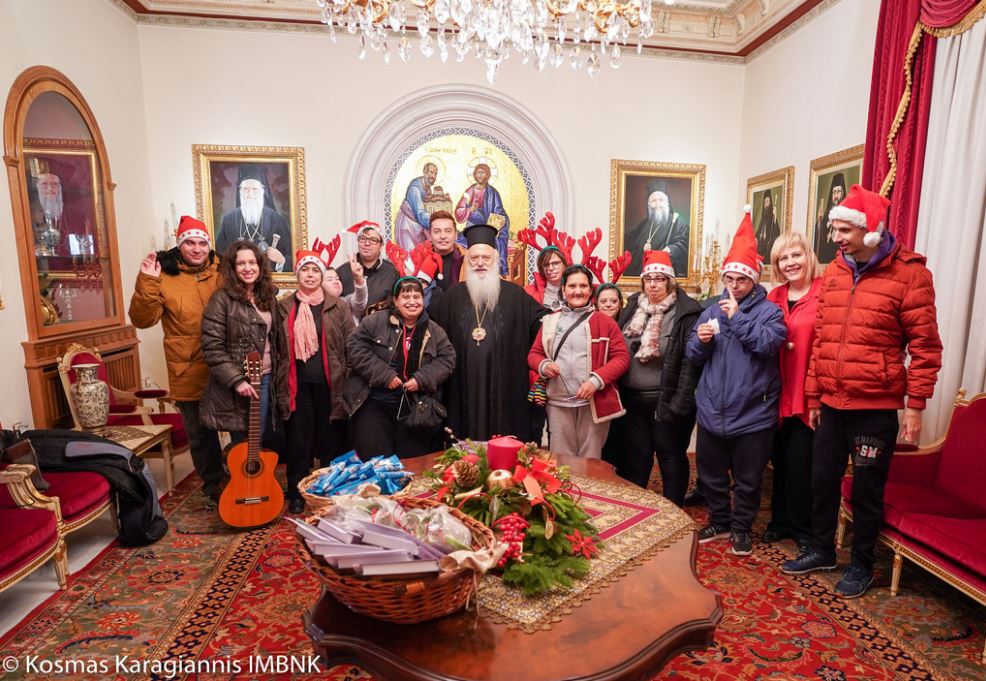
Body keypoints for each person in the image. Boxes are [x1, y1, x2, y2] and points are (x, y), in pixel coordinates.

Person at [782, 185, 942, 599]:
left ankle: (862, 565)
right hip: (831, 405)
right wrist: (815, 396)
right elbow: (822, 341)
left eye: (842, 230)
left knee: (868, 490)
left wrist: (915, 406)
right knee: (822, 481)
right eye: (833, 228)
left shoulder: (911, 275)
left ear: (870, 231)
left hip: (876, 407)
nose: (834, 237)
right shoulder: (834, 272)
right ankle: (821, 550)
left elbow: (925, 347)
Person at [686, 211, 786, 557]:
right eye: (728, 279)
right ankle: (720, 519)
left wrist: (737, 318)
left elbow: (768, 344)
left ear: (753, 281)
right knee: (711, 474)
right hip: (713, 409)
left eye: (740, 280)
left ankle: (742, 528)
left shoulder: (769, 311)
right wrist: (700, 340)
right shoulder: (710, 310)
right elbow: (693, 356)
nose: (733, 286)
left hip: (752, 412)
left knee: (747, 479)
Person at [128, 216, 224, 507]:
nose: (197, 249)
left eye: (202, 243)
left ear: (209, 246)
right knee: (201, 436)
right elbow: (142, 320)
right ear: (179, 245)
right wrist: (147, 281)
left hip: (227, 366)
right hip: (188, 368)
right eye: (190, 243)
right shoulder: (163, 276)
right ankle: (214, 489)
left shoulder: (224, 271)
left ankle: (241, 482)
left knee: (241, 429)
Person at [432, 224, 547, 442]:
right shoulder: (451, 297)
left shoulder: (516, 295)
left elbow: (545, 324)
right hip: (461, 383)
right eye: (474, 258)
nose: (480, 263)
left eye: (486, 257)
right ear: (467, 261)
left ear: (496, 260)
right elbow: (428, 329)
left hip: (505, 382)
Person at [613, 251, 702, 501]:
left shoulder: (685, 313)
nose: (653, 284)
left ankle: (674, 509)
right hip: (632, 400)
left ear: (670, 282)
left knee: (670, 454)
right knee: (636, 455)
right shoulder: (632, 306)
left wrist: (679, 404)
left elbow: (689, 363)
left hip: (666, 401)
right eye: (649, 279)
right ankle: (637, 507)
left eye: (659, 279)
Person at [278, 249, 356, 514]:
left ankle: (327, 489)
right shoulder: (285, 307)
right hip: (297, 386)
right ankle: (298, 492)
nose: (310, 275)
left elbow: (351, 346)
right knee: (298, 442)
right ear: (297, 274)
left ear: (321, 275)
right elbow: (278, 348)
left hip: (330, 384)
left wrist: (347, 378)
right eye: (305, 270)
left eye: (315, 270)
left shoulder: (337, 305)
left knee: (329, 440)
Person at [343, 277, 455, 458]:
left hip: (414, 407)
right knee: (375, 463)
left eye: (416, 296)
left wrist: (421, 379)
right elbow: (355, 348)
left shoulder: (435, 331)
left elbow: (447, 359)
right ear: (395, 300)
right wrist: (383, 374)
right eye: (406, 296)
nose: (412, 302)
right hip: (374, 402)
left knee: (411, 464)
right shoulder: (374, 321)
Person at [528, 265, 629, 458]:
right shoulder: (550, 321)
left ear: (591, 290)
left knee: (590, 461)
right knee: (561, 461)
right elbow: (534, 354)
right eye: (572, 286)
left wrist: (595, 381)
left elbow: (622, 358)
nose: (577, 291)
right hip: (558, 404)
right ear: (564, 290)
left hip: (592, 404)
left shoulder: (605, 322)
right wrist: (544, 365)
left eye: (583, 286)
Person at [763, 232, 823, 550]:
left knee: (803, 466)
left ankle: (803, 528)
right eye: (783, 258)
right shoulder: (772, 297)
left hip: (807, 396)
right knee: (780, 461)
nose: (790, 263)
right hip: (775, 396)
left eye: (795, 255)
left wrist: (816, 397)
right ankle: (779, 521)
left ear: (808, 256)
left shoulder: (825, 294)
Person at [200, 240, 289, 447]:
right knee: (243, 443)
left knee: (259, 438)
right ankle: (241, 480)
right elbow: (212, 346)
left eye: (252, 262)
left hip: (266, 378)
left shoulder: (267, 296)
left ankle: (254, 479)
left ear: (260, 265)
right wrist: (237, 380)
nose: (248, 268)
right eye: (241, 264)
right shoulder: (221, 299)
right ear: (232, 268)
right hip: (238, 382)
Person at [216, 177, 292, 272]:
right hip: (237, 281)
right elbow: (220, 255)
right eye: (245, 189)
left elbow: (290, 254)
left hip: (268, 280)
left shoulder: (275, 219)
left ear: (262, 192)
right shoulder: (229, 219)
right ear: (240, 192)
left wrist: (281, 260)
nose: (250, 194)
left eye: (254, 189)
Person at [625, 180, 690, 277]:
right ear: (649, 205)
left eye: (661, 200)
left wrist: (669, 250)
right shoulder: (643, 224)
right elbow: (629, 246)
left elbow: (683, 243)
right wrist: (641, 250)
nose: (657, 204)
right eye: (653, 201)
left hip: (664, 276)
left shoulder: (677, 223)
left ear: (667, 202)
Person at [454, 164, 510, 275]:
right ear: (474, 174)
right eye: (478, 172)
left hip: (489, 230)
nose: (480, 175)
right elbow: (459, 210)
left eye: (482, 172)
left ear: (488, 175)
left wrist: (497, 221)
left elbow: (499, 211)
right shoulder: (469, 192)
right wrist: (470, 210)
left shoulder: (493, 193)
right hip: (472, 229)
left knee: (497, 241)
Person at [336, 221, 399, 315]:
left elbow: (397, 305)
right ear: (358, 242)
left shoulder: (391, 273)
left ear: (381, 246)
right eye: (363, 238)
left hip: (380, 326)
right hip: (350, 327)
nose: (367, 243)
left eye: (373, 240)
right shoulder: (342, 271)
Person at [31, 172, 92, 260]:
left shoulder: (77, 217)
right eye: (44, 184)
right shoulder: (29, 215)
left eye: (55, 184)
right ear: (36, 188)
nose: (50, 188)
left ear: (60, 188)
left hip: (69, 265)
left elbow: (84, 247)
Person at [395, 162, 438, 250]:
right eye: (431, 172)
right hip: (408, 226)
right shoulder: (415, 188)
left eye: (435, 173)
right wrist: (437, 220)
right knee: (409, 256)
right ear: (425, 172)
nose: (433, 176)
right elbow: (420, 214)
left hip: (419, 227)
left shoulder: (426, 186)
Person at [427, 210, 469, 292]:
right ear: (430, 235)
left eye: (448, 231)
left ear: (456, 235)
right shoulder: (419, 260)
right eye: (437, 232)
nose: (443, 236)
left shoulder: (468, 260)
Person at [813, 173, 846, 264]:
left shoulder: (847, 213)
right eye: (834, 192)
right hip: (826, 253)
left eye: (838, 191)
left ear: (843, 193)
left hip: (839, 252)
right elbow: (820, 233)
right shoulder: (828, 212)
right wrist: (819, 222)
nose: (836, 194)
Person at [523, 246, 569, 311]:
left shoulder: (576, 289)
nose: (550, 268)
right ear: (542, 269)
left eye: (555, 263)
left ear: (564, 264)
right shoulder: (528, 292)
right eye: (546, 265)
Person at [755, 190, 780, 263]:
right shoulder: (762, 220)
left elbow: (776, 233)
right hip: (760, 249)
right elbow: (758, 233)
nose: (766, 204)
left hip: (767, 249)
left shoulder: (772, 218)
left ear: (770, 203)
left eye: (768, 201)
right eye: (765, 202)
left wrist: (775, 216)